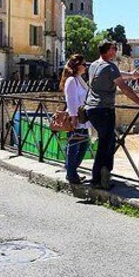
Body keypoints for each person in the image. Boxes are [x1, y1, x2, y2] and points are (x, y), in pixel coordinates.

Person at [84, 40, 139, 189]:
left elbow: (115, 75)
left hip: (91, 109)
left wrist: (132, 76)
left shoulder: (94, 65)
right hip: (104, 109)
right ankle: (100, 178)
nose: (115, 51)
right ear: (106, 51)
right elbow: (124, 87)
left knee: (107, 141)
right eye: (113, 49)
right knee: (105, 144)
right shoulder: (110, 66)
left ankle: (101, 176)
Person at [61, 54, 90, 184]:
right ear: (77, 66)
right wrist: (73, 117)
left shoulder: (78, 79)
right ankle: (72, 174)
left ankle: (71, 170)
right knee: (74, 146)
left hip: (82, 118)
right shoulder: (71, 80)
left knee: (83, 144)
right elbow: (71, 100)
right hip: (76, 118)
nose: (86, 67)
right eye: (84, 64)